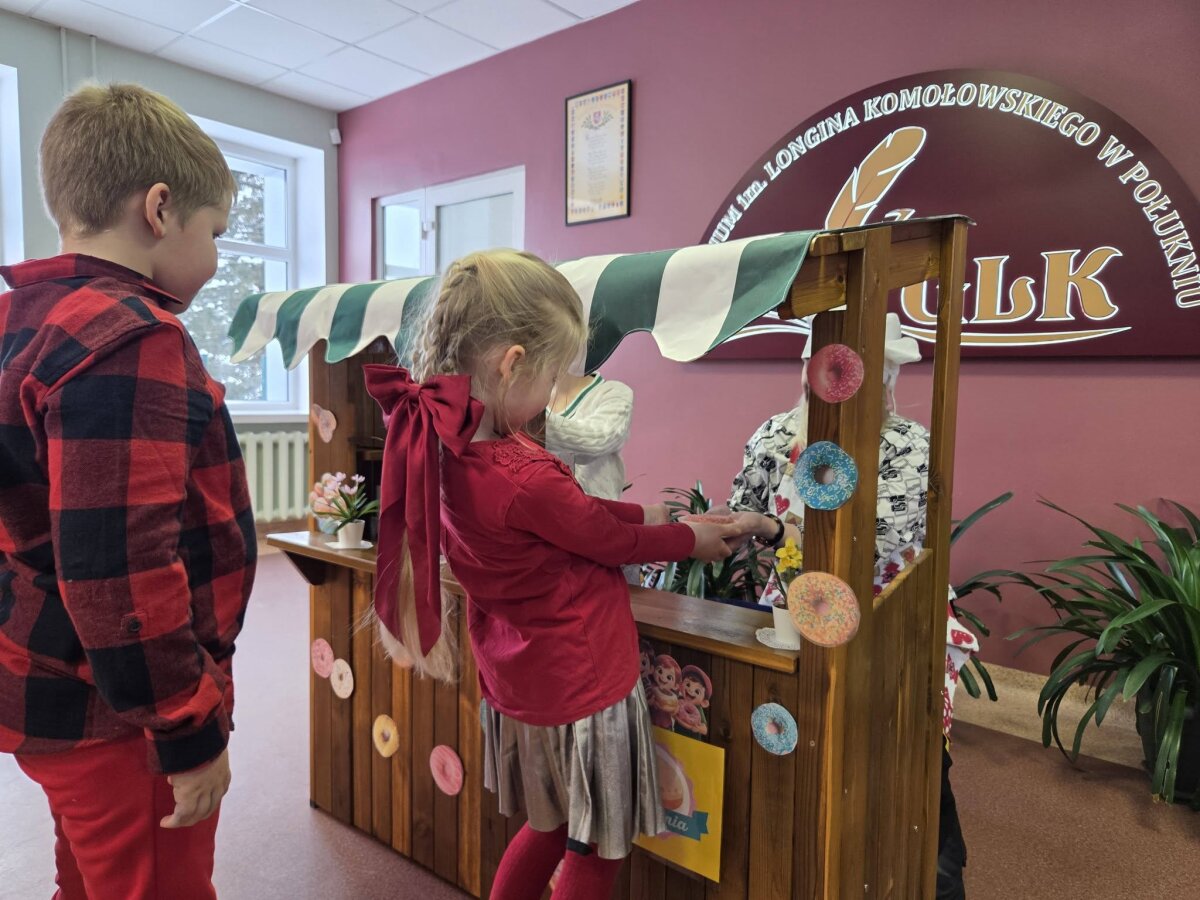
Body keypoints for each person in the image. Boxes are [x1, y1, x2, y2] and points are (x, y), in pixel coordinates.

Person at [362, 249, 745, 900]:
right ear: (512, 364)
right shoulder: (522, 473)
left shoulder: (453, 450)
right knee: (596, 848)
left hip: (520, 682)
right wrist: (690, 538)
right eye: (552, 375)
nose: (552, 392)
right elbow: (605, 539)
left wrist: (645, 511)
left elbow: (571, 520)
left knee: (548, 831)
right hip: (583, 686)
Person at [0, 84, 255, 899]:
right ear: (160, 208)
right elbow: (121, 570)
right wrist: (187, 730)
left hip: (48, 680)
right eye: (215, 233)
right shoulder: (131, 337)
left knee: (87, 879)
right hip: (122, 717)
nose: (215, 259)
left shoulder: (18, 318)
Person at [725, 313, 974, 900]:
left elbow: (884, 541)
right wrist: (741, 527)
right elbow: (741, 511)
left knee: (910, 764)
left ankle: (937, 879)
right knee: (806, 756)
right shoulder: (774, 436)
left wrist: (776, 528)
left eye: (860, 374)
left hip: (895, 624)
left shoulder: (910, 445)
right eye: (826, 373)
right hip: (793, 622)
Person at [545, 370, 641, 582]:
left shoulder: (613, 393)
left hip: (599, 537)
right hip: (546, 542)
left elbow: (595, 442)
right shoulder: (530, 397)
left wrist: (528, 418)